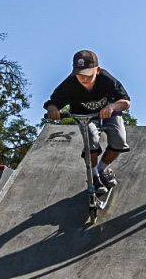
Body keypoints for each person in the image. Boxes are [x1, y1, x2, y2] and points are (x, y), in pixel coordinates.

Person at [44, 49, 131, 194]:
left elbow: (126, 102)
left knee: (119, 141)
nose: (83, 79)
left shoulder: (107, 79)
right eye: (80, 75)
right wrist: (53, 110)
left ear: (97, 70)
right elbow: (53, 103)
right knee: (91, 141)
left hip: (110, 113)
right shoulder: (69, 84)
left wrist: (112, 106)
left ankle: (102, 169)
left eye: (87, 75)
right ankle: (94, 176)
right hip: (85, 116)